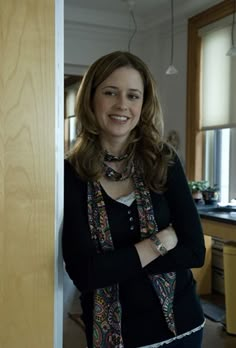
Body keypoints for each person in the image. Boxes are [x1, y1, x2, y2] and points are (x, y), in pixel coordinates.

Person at [62, 51, 206, 348]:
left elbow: (194, 252)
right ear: (91, 99)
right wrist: (159, 242)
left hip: (183, 327)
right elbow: (84, 274)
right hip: (116, 337)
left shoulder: (164, 161)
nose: (122, 105)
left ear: (144, 104)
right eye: (110, 92)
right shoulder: (69, 174)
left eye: (133, 96)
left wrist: (112, 266)